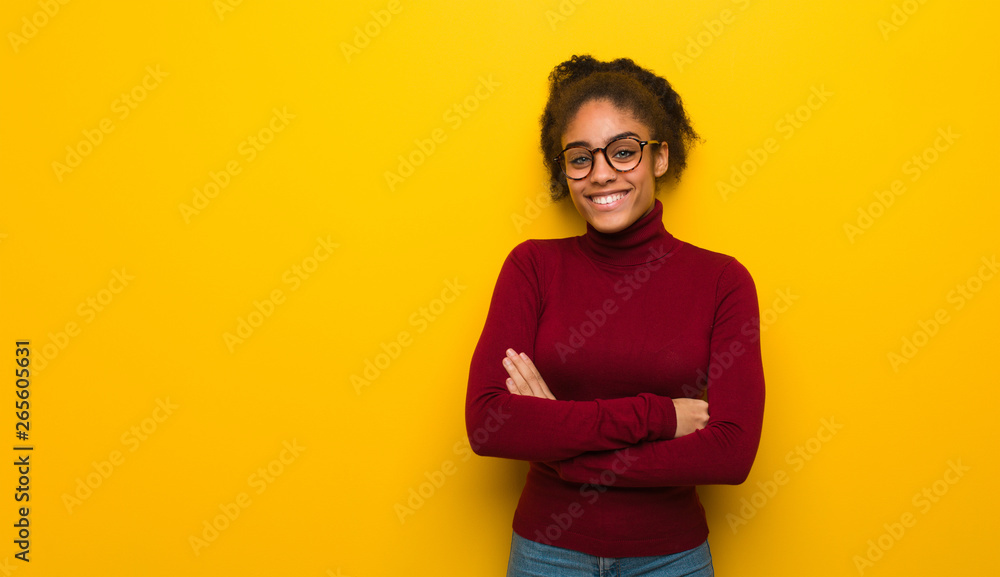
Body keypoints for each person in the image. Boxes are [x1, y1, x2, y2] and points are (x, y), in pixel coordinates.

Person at [466, 55, 765, 577]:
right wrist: (660, 416)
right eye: (580, 158)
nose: (601, 174)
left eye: (623, 152)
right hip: (546, 555)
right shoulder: (533, 267)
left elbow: (731, 453)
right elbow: (490, 423)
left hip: (672, 559)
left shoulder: (723, 281)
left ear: (660, 158)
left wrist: (562, 447)